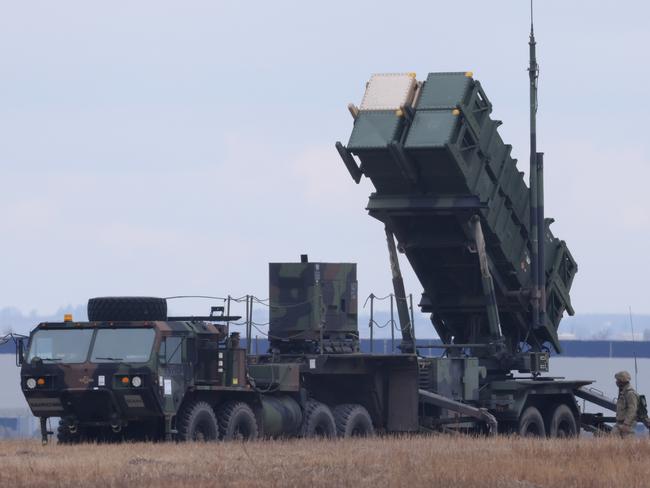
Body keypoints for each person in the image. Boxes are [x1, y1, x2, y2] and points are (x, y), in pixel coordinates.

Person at [611, 370, 638, 438]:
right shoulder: (623, 392)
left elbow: (632, 410)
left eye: (617, 380)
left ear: (622, 381)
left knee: (628, 444)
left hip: (627, 424)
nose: (616, 382)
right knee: (613, 439)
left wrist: (626, 424)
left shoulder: (630, 393)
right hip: (620, 423)